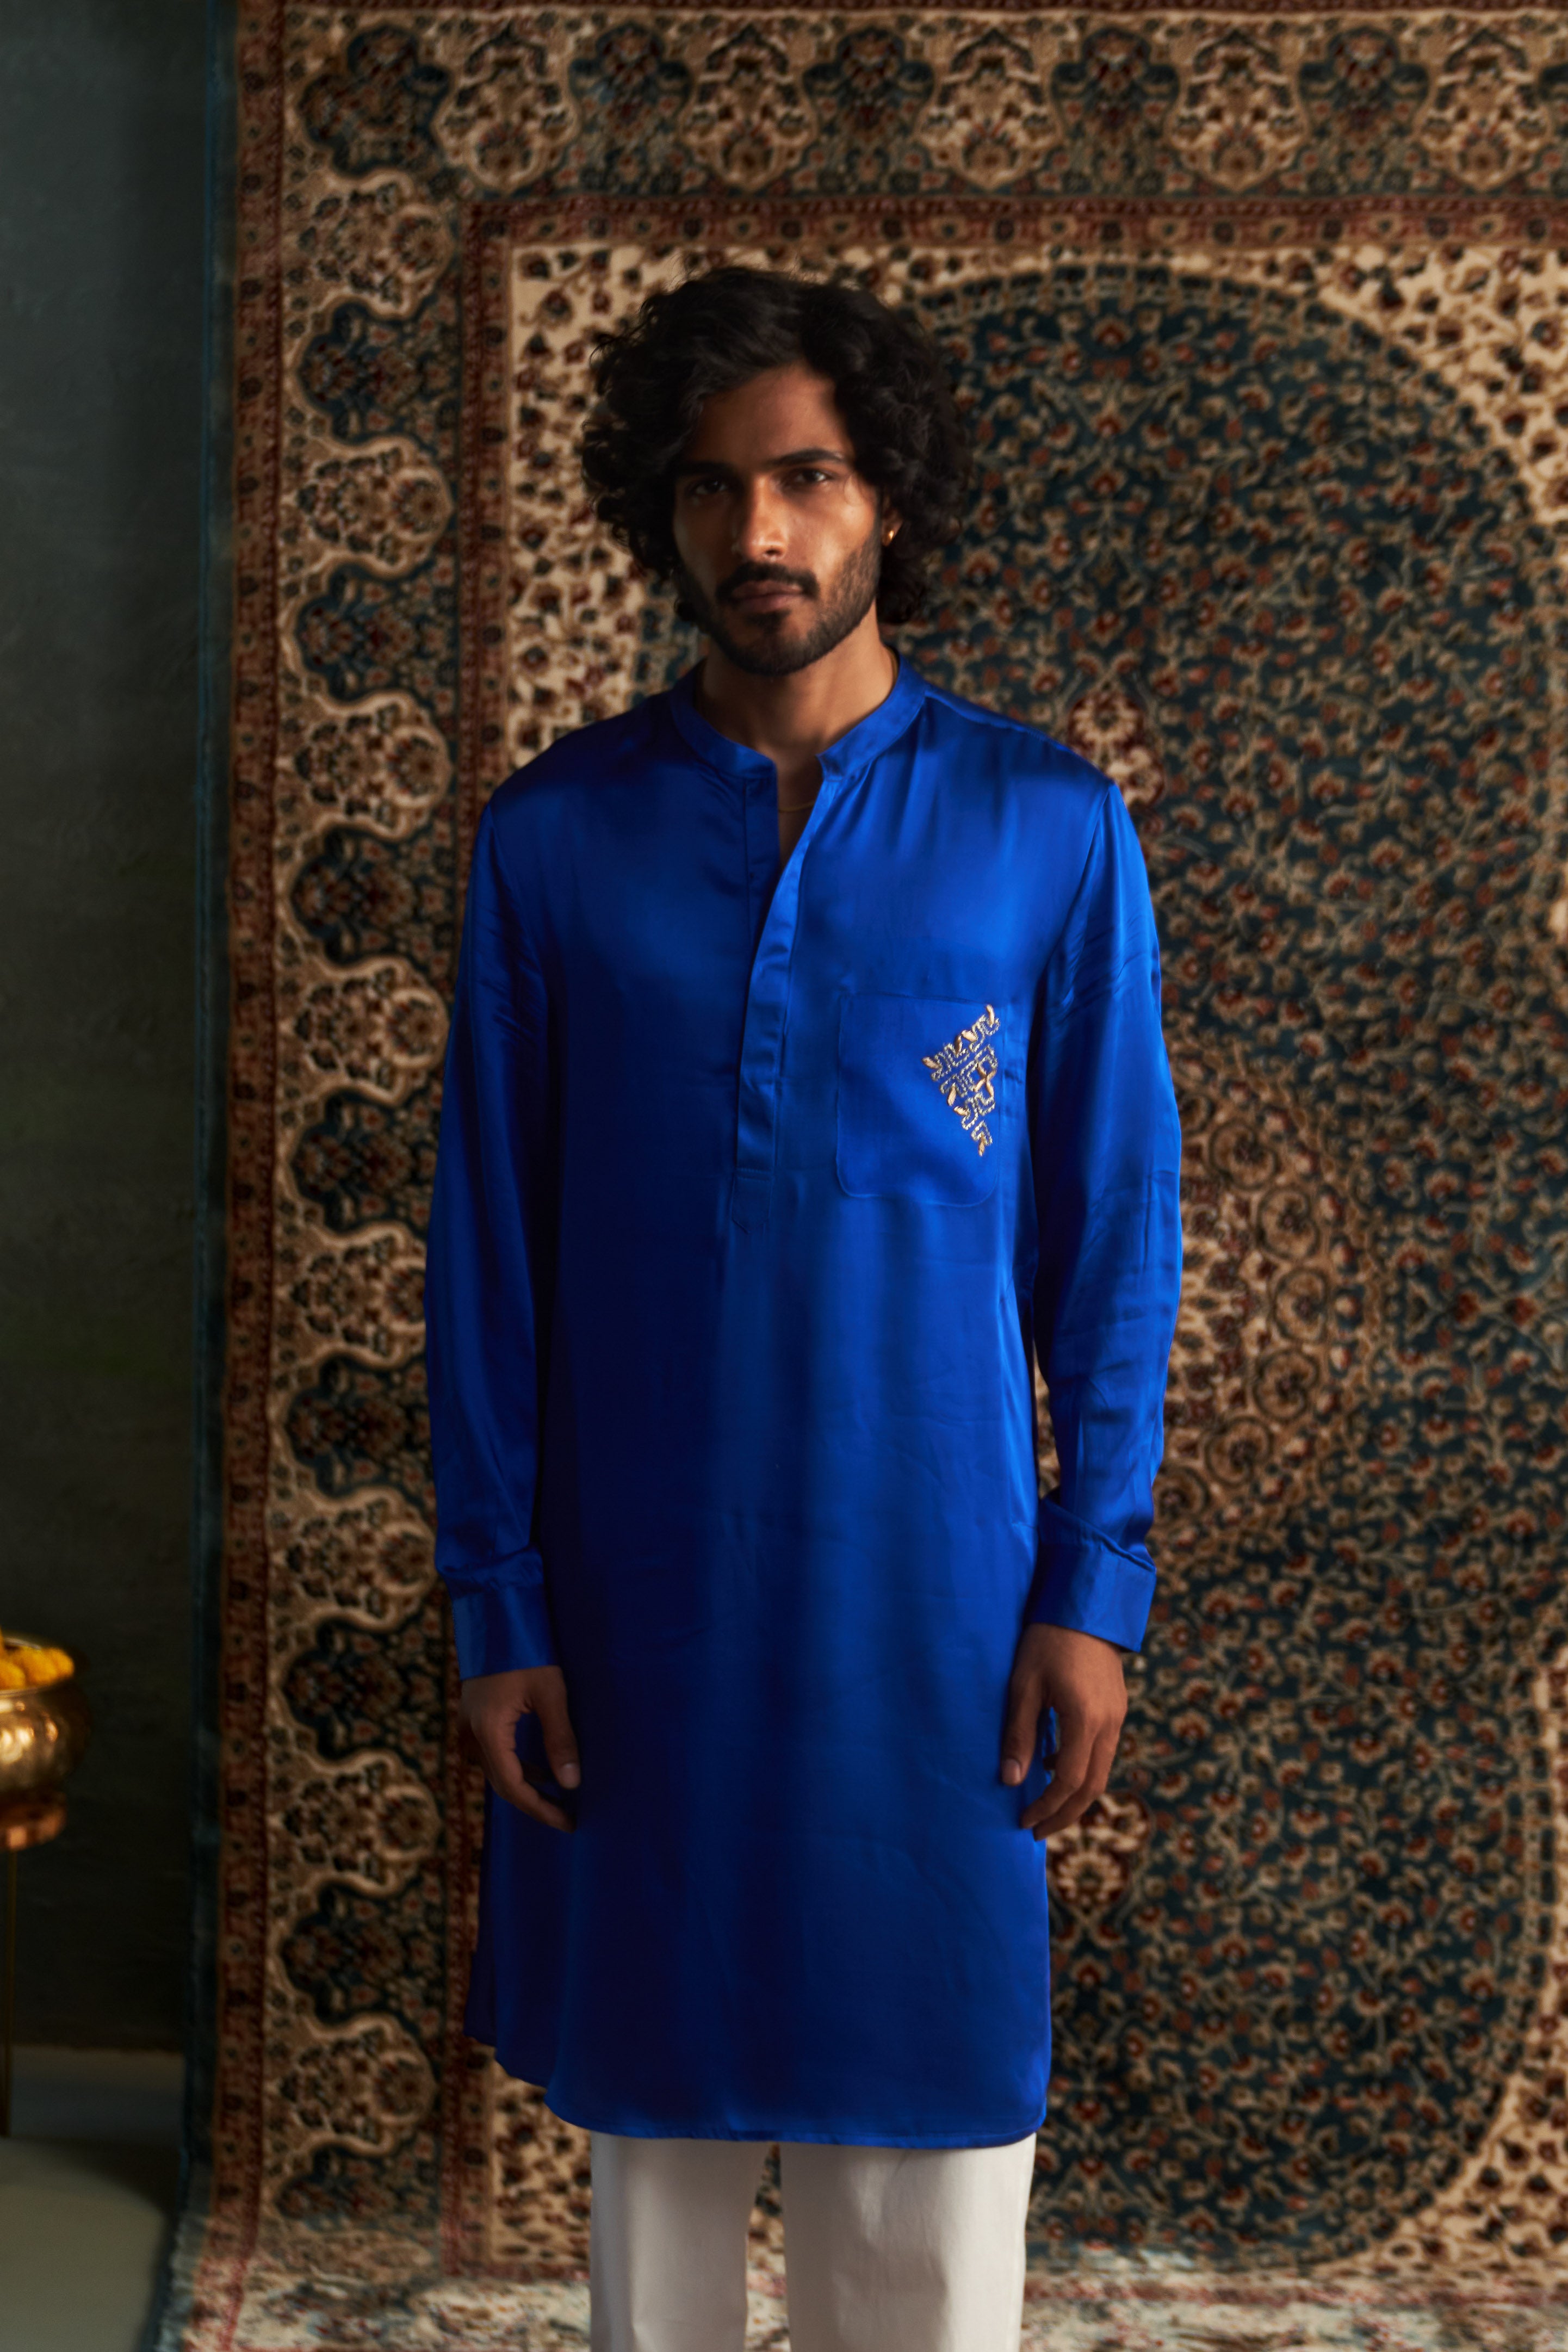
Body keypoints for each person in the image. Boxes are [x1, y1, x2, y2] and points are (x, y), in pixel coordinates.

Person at [424, 264, 1183, 2352]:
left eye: (807, 477)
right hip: (633, 1606)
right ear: (657, 512)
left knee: (923, 2193)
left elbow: (1115, 1240)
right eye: (708, 486)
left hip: (935, 1604)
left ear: (886, 499)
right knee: (655, 2186)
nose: (755, 531)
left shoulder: (1044, 828)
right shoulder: (555, 839)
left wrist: (1092, 1583)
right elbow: (486, 1252)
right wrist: (499, 1601)